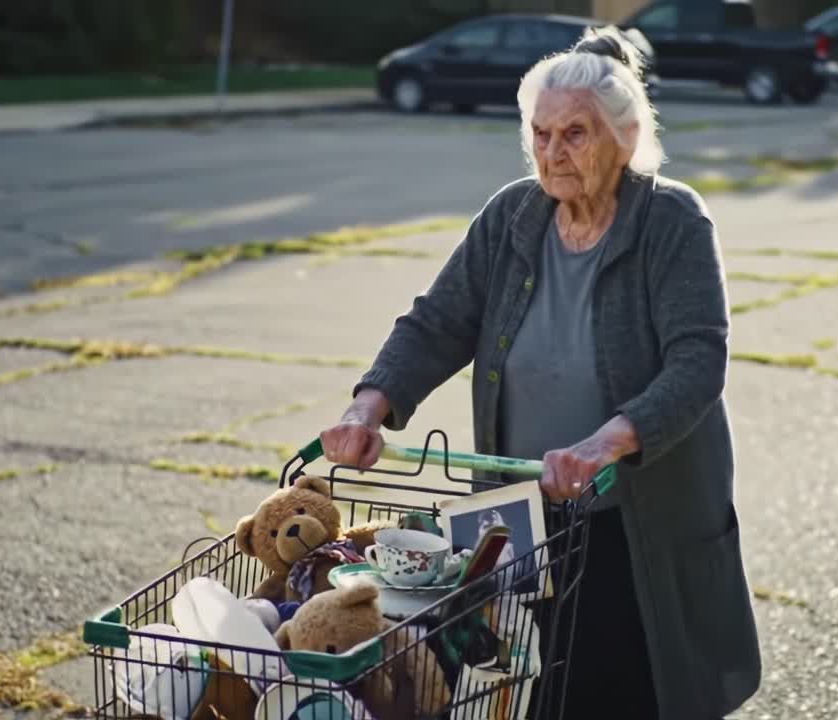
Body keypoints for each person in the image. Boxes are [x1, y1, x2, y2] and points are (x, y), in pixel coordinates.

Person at [319, 27, 761, 720]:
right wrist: (367, 407)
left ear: (626, 134)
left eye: (576, 134)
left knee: (630, 690)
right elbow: (437, 322)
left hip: (632, 525)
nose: (554, 153)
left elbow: (697, 362)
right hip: (518, 521)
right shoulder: (512, 217)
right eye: (541, 134)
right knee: (525, 691)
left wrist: (603, 443)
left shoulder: (671, 221)